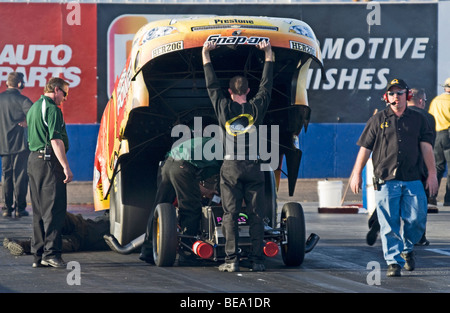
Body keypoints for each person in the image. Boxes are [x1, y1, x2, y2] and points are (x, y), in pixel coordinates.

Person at [350, 78, 438, 277]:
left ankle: (407, 249)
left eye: (399, 93)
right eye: (392, 93)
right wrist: (356, 173)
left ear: (407, 96)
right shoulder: (377, 119)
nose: (396, 97)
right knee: (388, 224)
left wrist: (432, 174)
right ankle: (393, 262)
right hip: (386, 180)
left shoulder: (419, 119)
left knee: (416, 220)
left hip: (414, 178)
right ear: (386, 97)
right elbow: (365, 148)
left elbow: (427, 148)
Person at [202, 39, 274, 272]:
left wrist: (206, 55)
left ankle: (231, 260)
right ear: (248, 91)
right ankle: (258, 261)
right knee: (256, 215)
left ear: (231, 91)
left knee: (230, 214)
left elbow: (211, 86)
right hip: (254, 165)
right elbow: (267, 85)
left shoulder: (223, 106)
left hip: (231, 166)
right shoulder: (257, 106)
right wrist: (268, 54)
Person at [139, 128, 222, 265]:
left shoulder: (206, 143)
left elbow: (190, 177)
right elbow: (228, 180)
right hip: (183, 167)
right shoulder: (226, 152)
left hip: (168, 164)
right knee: (191, 208)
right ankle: (187, 253)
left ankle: (148, 250)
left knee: (159, 205)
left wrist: (205, 191)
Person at [26, 77, 73, 268]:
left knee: (38, 210)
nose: (65, 98)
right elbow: (55, 140)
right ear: (56, 89)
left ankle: (38, 255)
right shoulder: (53, 109)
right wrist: (65, 167)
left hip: (33, 162)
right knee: (54, 209)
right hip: (48, 163)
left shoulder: (34, 107)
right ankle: (52, 253)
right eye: (64, 93)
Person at [0, 72, 33, 217]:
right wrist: (27, 122)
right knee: (20, 176)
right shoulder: (23, 100)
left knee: (6, 176)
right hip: (20, 146)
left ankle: (7, 209)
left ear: (7, 84)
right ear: (20, 84)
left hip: (3, 145)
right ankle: (20, 208)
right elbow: (36, 116)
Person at [3, 211, 110, 255]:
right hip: (82, 224)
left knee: (56, 244)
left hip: (82, 240)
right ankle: (26, 243)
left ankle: (23, 244)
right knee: (57, 215)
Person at [428, 78, 450, 206]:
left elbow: (430, 117)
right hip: (448, 134)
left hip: (437, 135)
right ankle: (448, 199)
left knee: (437, 167)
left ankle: (432, 196)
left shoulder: (436, 101)